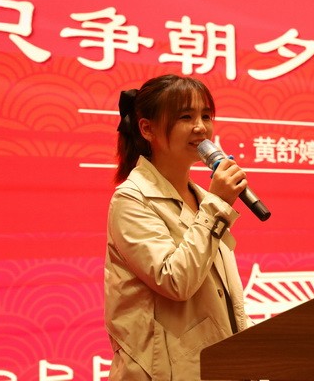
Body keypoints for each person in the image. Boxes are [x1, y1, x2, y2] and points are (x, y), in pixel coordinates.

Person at [104, 74, 250, 380]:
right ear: (147, 129)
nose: (201, 127)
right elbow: (175, 281)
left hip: (214, 364)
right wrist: (217, 205)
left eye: (206, 116)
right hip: (162, 371)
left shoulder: (204, 198)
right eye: (186, 117)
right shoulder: (131, 199)